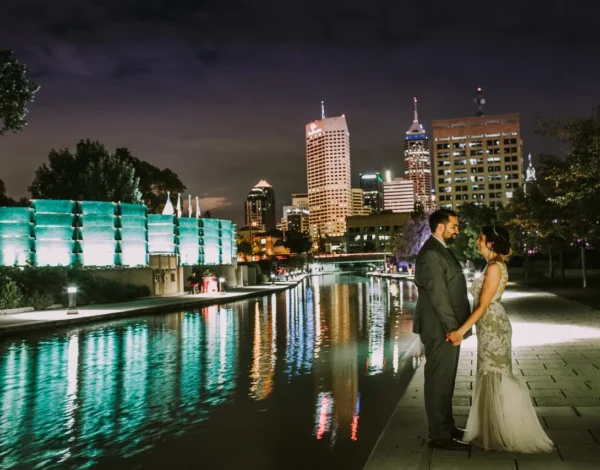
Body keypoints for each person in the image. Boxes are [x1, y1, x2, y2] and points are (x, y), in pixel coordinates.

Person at [447, 226, 554, 453]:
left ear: (492, 244)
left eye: (481, 238)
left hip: (493, 325)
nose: (477, 241)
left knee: (495, 373)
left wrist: (460, 331)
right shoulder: (491, 265)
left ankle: (504, 430)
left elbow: (484, 305)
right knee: (489, 373)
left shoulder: (495, 267)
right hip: (488, 326)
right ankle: (494, 429)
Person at [413, 209, 472, 451]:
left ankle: (447, 426)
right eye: (454, 226)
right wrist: (453, 329)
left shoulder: (439, 250)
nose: (457, 230)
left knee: (445, 381)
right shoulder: (430, 254)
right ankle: (439, 435)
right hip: (440, 329)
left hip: (446, 327)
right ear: (440, 227)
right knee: (438, 382)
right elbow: (438, 296)